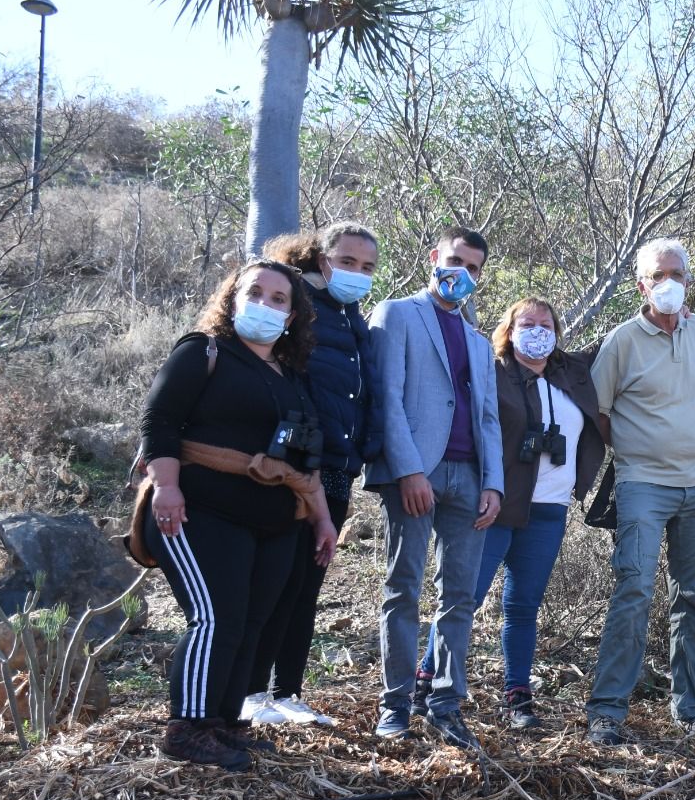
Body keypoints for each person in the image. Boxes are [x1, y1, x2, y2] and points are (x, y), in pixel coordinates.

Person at [138, 260, 337, 770]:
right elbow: (159, 418)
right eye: (255, 292)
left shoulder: (290, 375)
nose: (265, 305)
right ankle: (188, 725)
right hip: (200, 509)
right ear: (232, 297)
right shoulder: (202, 351)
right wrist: (166, 487)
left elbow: (302, 457)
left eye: (278, 299)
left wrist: (320, 518)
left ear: (292, 316)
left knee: (252, 621)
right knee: (215, 616)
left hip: (272, 521)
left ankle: (224, 723)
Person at [413, 297, 605, 729]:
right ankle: (426, 681)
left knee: (523, 606)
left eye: (545, 323)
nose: (537, 331)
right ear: (510, 329)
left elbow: (614, 345)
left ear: (557, 330)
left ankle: (518, 696)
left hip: (549, 510)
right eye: (527, 323)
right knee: (465, 598)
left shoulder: (570, 374)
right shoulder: (492, 371)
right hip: (495, 505)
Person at [365, 226, 503, 749]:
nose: (460, 273)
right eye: (454, 260)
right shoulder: (397, 314)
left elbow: (488, 417)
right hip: (416, 474)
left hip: (470, 477)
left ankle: (445, 704)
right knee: (403, 587)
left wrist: (493, 484)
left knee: (460, 596)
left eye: (472, 267)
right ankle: (394, 706)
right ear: (434, 258)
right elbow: (387, 397)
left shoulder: (477, 339)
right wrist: (408, 470)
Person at [585, 238, 695, 746]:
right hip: (643, 484)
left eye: (678, 274)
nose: (669, 282)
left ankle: (692, 711)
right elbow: (597, 409)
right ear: (641, 283)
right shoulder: (622, 340)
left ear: (689, 279)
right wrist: (632, 450)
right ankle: (606, 711)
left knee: (694, 599)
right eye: (658, 274)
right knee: (634, 591)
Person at [241, 222, 381, 727]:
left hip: (338, 469)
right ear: (323, 261)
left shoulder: (355, 318)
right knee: (274, 580)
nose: (356, 273)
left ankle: (289, 693)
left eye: (367, 267)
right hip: (292, 468)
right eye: (347, 262)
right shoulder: (295, 309)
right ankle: (252, 691)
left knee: (307, 584)